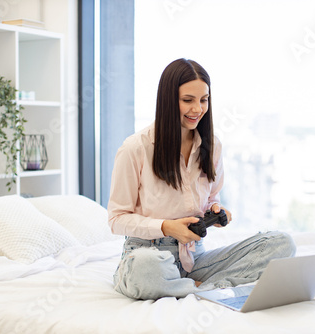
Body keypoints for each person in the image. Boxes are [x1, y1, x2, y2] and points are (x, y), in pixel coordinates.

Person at [108, 58, 296, 300]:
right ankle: (204, 289)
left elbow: (210, 198)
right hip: (148, 254)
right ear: (167, 100)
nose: (198, 109)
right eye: (188, 100)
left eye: (204, 100)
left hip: (195, 258)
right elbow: (116, 219)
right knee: (146, 270)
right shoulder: (135, 148)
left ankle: (190, 287)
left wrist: (215, 211)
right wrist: (166, 227)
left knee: (281, 244)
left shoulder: (212, 145)